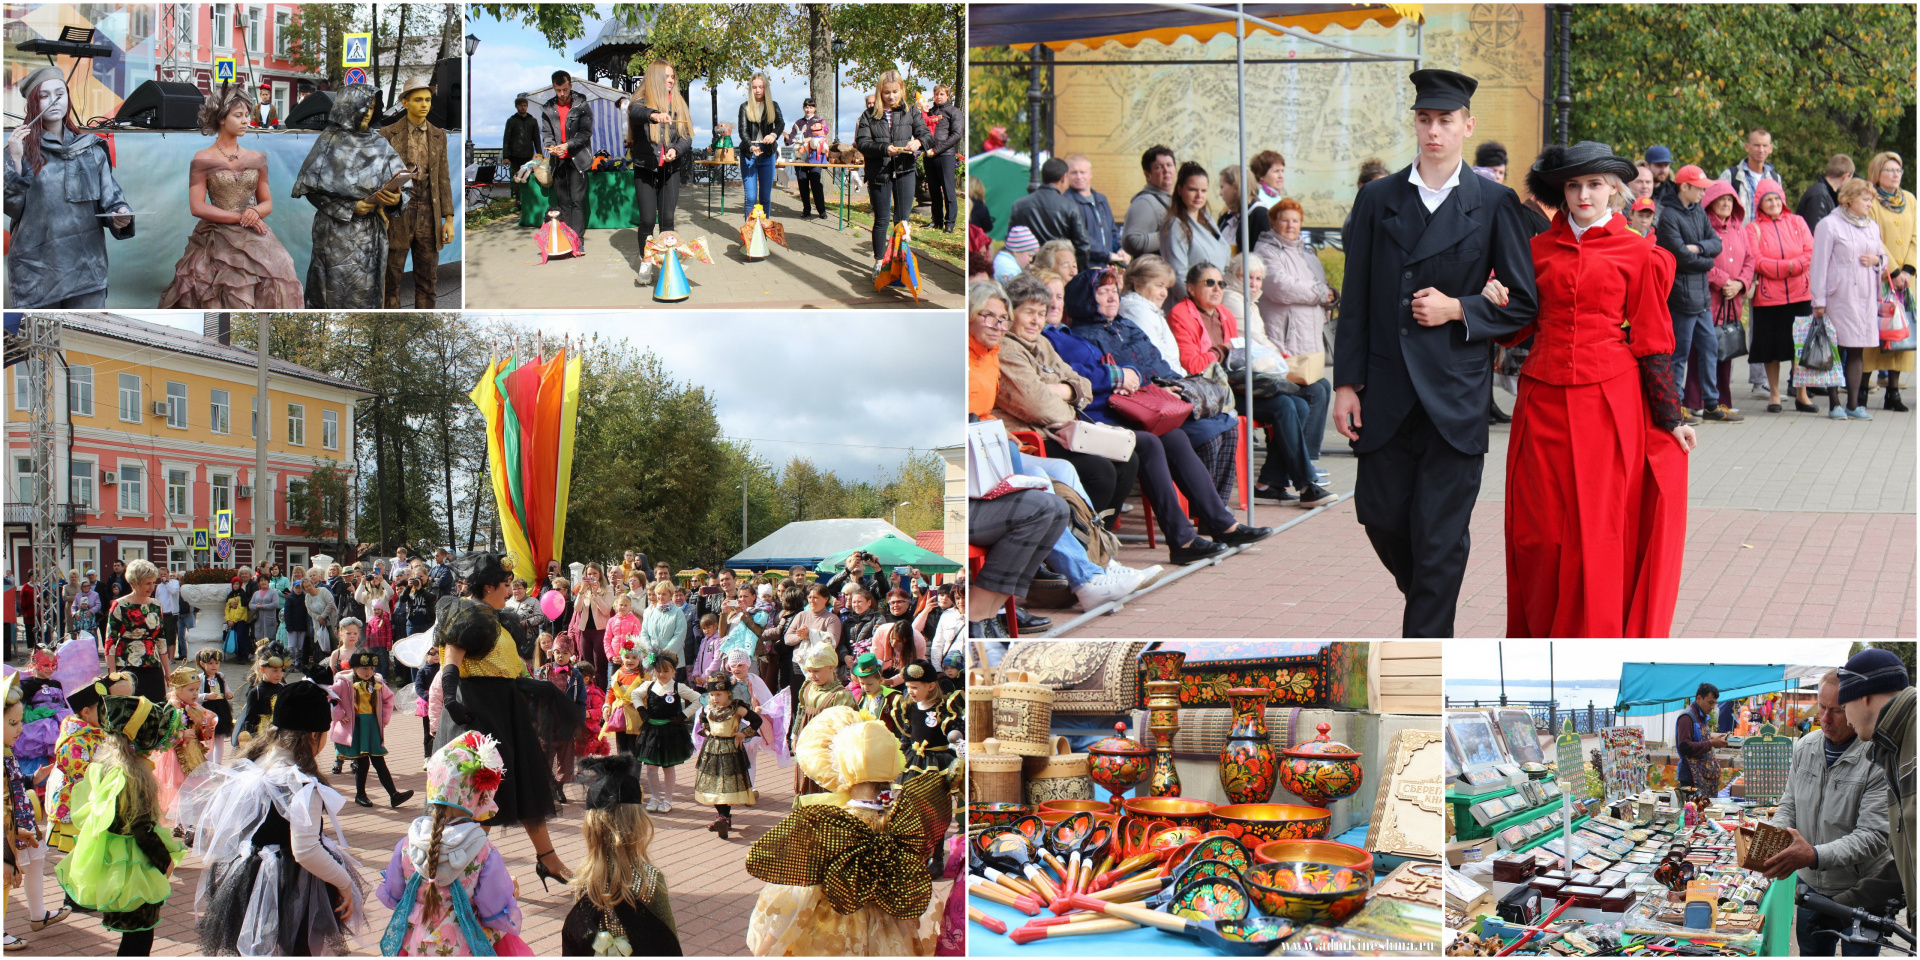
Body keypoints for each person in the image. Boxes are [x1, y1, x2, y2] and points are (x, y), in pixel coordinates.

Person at [1333, 69, 1538, 638]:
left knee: (1440, 538)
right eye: (1424, 120)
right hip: (1385, 391)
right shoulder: (1377, 198)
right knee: (1379, 514)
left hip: (1454, 395)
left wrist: (1460, 309)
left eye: (1445, 121)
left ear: (1467, 127)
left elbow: (1523, 304)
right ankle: (1430, 593)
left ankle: (1427, 646)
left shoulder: (1494, 203)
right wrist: (1345, 383)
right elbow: (1356, 299)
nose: (1433, 131)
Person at [1493, 143, 1688, 638]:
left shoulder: (1642, 252)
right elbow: (1514, 330)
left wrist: (1671, 419)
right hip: (1540, 400)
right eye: (1574, 185)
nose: (1583, 194)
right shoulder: (1533, 251)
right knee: (1540, 534)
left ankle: (1594, 634)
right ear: (1562, 191)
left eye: (1595, 184)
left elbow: (1652, 340)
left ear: (1615, 192)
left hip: (1611, 403)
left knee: (1598, 531)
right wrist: (1492, 302)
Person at [1057, 269, 1272, 564]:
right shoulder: (1079, 336)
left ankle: (1222, 524)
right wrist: (1126, 376)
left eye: (1113, 291)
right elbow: (1091, 380)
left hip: (1147, 405)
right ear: (1084, 300)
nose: (1111, 297)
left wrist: (1160, 381)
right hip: (1111, 414)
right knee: (1155, 443)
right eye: (1102, 292)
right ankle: (1182, 538)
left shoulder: (1125, 326)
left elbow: (1153, 363)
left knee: (1177, 438)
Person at [744, 706, 949, 956]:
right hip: (891, 924)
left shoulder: (831, 825)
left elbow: (800, 896)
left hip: (834, 932)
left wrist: (768, 944)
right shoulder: (903, 819)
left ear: (840, 766)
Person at [434, 554, 583, 887]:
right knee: (483, 791)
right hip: (475, 711)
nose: (510, 590)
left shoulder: (499, 618)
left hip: (506, 708)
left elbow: (511, 670)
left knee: (526, 783)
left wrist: (540, 687)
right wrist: (448, 699)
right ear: (488, 587)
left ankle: (548, 859)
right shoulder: (465, 615)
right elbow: (452, 661)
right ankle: (470, 868)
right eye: (505, 585)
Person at [1170, 261, 1334, 507]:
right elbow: (1193, 364)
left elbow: (1237, 356)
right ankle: (1305, 484)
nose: (1217, 289)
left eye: (1221, 284)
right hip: (1207, 394)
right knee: (1285, 406)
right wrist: (1223, 349)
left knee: (1298, 404)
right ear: (1191, 288)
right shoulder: (1181, 314)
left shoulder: (1224, 314)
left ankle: (1271, 483)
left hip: (1232, 386)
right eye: (1209, 283)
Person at [1760, 668, 1897, 956]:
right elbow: (1789, 802)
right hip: (1811, 888)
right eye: (1821, 707)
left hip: (1862, 891)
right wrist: (1777, 836)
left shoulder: (1877, 756)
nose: (1824, 719)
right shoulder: (1805, 745)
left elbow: (1873, 836)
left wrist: (1814, 855)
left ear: (1856, 706)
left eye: (1836, 710)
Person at [53, 694, 187, 956]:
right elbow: (140, 826)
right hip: (132, 864)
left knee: (134, 935)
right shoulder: (131, 775)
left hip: (117, 859)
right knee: (138, 936)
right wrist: (164, 861)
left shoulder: (113, 764)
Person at [374, 731, 527, 953]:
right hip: (464, 946)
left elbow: (394, 895)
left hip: (416, 944)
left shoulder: (409, 842)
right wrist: (509, 893)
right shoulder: (483, 851)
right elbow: (493, 911)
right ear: (480, 795)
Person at [158, 83, 303, 308]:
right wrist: (241, 218)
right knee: (227, 289)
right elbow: (197, 207)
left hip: (255, 234)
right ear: (221, 118)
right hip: (216, 237)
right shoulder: (202, 158)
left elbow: (267, 203)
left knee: (283, 266)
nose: (246, 120)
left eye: (247, 114)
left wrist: (255, 212)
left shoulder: (256, 158)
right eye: (238, 115)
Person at [4, 67, 135, 308]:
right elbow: (12, 208)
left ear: (68, 98)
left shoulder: (91, 149)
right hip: (37, 274)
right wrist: (15, 160)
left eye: (59, 93)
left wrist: (120, 214)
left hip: (87, 271)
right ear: (33, 104)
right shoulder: (20, 151)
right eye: (44, 95)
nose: (54, 101)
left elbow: (112, 199)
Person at [291, 83, 406, 308]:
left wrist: (397, 200)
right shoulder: (328, 142)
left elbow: (402, 185)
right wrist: (349, 208)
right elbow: (310, 189)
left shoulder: (380, 143)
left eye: (373, 108)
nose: (369, 113)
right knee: (331, 295)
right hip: (335, 235)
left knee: (367, 295)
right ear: (349, 107)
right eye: (365, 107)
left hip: (371, 237)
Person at [560, 755, 681, 956]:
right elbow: (668, 943)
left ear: (591, 830)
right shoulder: (649, 880)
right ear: (637, 825)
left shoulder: (584, 880)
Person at [1255, 198, 1337, 483]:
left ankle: (1307, 460)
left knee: (1321, 389)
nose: (1291, 226)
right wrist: (1319, 293)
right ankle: (1293, 465)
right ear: (1274, 222)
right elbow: (1280, 287)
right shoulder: (1265, 251)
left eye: (1296, 220)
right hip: (1284, 340)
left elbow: (1320, 287)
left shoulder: (1307, 253)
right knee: (1306, 395)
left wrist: (1329, 294)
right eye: (1285, 220)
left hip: (1309, 340)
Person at [1656, 164, 1740, 422]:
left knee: (1709, 347)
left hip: (1701, 296)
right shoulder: (1669, 216)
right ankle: (1677, 405)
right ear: (1685, 186)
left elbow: (1716, 243)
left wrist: (1699, 250)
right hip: (1681, 297)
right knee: (1679, 352)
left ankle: (1711, 404)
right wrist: (1706, 259)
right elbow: (1679, 256)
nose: (1704, 193)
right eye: (1700, 188)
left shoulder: (1697, 212)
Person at [1836, 647, 1914, 913]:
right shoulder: (1897, 744)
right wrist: (1853, 903)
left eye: (1844, 706)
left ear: (1864, 697)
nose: (1846, 718)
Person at [1812, 178, 1890, 420]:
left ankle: (1854, 404)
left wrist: (1877, 261)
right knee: (1835, 349)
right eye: (1865, 199)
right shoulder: (1829, 225)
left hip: (1866, 296)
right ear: (1849, 199)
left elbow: (1883, 256)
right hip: (1839, 296)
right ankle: (1834, 403)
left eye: (1871, 200)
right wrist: (1818, 300)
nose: (1870, 204)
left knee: (1858, 349)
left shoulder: (1871, 226)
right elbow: (1819, 264)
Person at [377, 76, 454, 309]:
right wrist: (381, 212)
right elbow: (378, 178)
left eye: (428, 100)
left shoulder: (439, 135)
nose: (424, 105)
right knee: (391, 279)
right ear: (405, 102)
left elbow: (443, 179)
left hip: (429, 212)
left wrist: (448, 219)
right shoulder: (387, 134)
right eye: (418, 99)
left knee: (428, 281)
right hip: (397, 211)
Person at [1745, 179, 1815, 413]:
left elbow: (1810, 252)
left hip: (1800, 294)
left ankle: (1802, 394)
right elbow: (1756, 260)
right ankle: (1774, 393)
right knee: (1771, 347)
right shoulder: (1753, 228)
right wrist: (1789, 268)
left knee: (1801, 347)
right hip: (1768, 297)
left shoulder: (1798, 222)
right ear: (1760, 204)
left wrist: (1791, 267)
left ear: (1783, 200)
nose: (1773, 203)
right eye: (1768, 199)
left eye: (1776, 198)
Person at [1686, 179, 1754, 417]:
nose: (1725, 204)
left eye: (1729, 200)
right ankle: (1694, 400)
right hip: (1707, 297)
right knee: (1702, 348)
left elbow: (1749, 260)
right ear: (1710, 202)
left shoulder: (1740, 229)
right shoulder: (1702, 227)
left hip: (1732, 299)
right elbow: (1697, 260)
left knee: (1725, 349)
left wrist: (1740, 284)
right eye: (1721, 199)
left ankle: (1722, 400)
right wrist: (1722, 279)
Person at [854, 70, 930, 270]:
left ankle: (899, 262)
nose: (891, 96)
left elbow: (926, 135)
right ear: (880, 92)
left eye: (895, 91)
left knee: (902, 221)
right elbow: (862, 143)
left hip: (905, 172)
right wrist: (883, 148)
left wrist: (919, 142)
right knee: (881, 219)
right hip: (879, 173)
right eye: (887, 92)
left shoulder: (911, 112)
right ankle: (879, 263)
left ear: (901, 90)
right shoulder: (869, 115)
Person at [1863, 151, 1915, 410]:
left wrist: (1908, 270)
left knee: (1900, 335)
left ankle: (1892, 393)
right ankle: (1861, 388)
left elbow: (1916, 236)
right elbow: (1873, 239)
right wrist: (1893, 271)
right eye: (1889, 171)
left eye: (1898, 171)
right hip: (1879, 277)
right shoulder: (1869, 200)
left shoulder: (1910, 200)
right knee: (1875, 333)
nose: (1895, 175)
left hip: (1907, 281)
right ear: (1876, 174)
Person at [329, 650, 413, 809]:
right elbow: (330, 696)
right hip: (357, 726)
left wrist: (384, 718)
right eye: (364, 669)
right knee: (362, 762)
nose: (368, 672)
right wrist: (340, 714)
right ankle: (361, 794)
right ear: (353, 668)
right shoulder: (344, 682)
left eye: (371, 669)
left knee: (379, 760)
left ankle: (394, 795)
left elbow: (388, 698)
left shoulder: (377, 682)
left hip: (372, 725)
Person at [691, 669, 758, 838]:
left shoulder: (736, 708)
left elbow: (757, 720)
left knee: (726, 782)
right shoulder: (709, 708)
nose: (715, 698)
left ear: (728, 693)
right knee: (714, 782)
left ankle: (723, 817)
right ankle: (722, 817)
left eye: (718, 694)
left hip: (730, 749)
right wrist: (707, 732)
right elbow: (703, 720)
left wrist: (743, 734)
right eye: (712, 694)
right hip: (713, 748)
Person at [630, 651, 699, 812]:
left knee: (668, 767)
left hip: (670, 732)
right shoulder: (649, 686)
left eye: (666, 671)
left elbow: (698, 699)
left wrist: (684, 714)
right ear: (654, 671)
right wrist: (641, 709)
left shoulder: (678, 687)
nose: (662, 674)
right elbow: (635, 694)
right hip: (652, 731)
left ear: (674, 671)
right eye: (659, 671)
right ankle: (655, 797)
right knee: (651, 767)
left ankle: (668, 799)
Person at [1159, 162, 1228, 308]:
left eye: (1203, 190)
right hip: (1192, 307)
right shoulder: (1175, 225)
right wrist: (1197, 308)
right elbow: (1178, 275)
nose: (1199, 195)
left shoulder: (1207, 220)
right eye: (1193, 189)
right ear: (1180, 189)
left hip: (1213, 304)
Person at [540, 71, 595, 246]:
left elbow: (586, 133)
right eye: (558, 90)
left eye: (565, 89)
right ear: (553, 88)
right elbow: (547, 134)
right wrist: (551, 147)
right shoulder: (547, 108)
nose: (562, 94)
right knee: (563, 202)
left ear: (571, 86)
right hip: (559, 161)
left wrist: (567, 145)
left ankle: (578, 241)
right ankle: (566, 240)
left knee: (578, 201)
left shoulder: (582, 104)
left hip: (578, 159)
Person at [102, 560, 170, 702]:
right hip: (126, 665)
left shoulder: (156, 605)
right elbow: (110, 641)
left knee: (156, 709)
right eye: (147, 583)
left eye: (153, 582)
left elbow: (161, 639)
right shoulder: (120, 605)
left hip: (153, 664)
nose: (152, 587)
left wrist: (167, 672)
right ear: (135, 583)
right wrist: (112, 674)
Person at [1009, 157, 1092, 273]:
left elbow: (1011, 241)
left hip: (1030, 271)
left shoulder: (1019, 205)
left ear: (1042, 176)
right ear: (1064, 178)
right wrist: (1076, 273)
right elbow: (1083, 246)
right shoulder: (1070, 207)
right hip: (1059, 272)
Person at [736, 73, 784, 218]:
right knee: (750, 198)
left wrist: (773, 135)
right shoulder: (744, 107)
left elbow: (781, 123)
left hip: (767, 153)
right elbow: (742, 131)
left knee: (765, 198)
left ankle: (763, 232)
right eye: (755, 87)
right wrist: (751, 146)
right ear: (751, 89)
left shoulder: (773, 105)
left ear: (765, 88)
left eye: (761, 87)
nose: (757, 90)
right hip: (749, 153)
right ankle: (749, 234)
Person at [1066, 154, 1124, 268]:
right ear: (1067, 175)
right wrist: (1107, 254)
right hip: (1084, 267)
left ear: (1090, 174)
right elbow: (1079, 237)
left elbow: (1112, 230)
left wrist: (1121, 248)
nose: (1078, 176)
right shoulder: (1066, 202)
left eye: (1083, 172)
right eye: (1074, 172)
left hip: (1106, 266)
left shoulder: (1101, 199)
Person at [1675, 682, 1729, 799]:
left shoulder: (1702, 717)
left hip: (1703, 775)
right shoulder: (1687, 717)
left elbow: (1697, 739)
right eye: (1710, 702)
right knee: (1692, 811)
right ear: (1699, 698)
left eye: (1714, 703)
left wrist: (1714, 738)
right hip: (1691, 776)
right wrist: (1712, 743)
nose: (1712, 707)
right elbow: (1685, 746)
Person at [1123, 145, 1177, 259]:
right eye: (1158, 167)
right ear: (1147, 174)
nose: (1166, 170)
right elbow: (1131, 242)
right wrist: (1171, 236)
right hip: (1152, 273)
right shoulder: (1145, 202)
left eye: (1169, 165)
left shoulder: (1175, 199)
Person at [923, 84, 962, 232]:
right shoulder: (930, 112)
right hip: (929, 155)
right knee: (933, 189)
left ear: (947, 96)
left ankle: (950, 223)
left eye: (942, 94)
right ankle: (936, 220)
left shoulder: (954, 112)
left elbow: (957, 134)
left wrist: (937, 149)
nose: (939, 97)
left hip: (945, 155)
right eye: (936, 94)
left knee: (948, 190)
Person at [784, 97, 830, 220]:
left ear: (814, 108)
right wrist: (785, 136)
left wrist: (808, 140)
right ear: (803, 108)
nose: (808, 109)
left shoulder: (819, 121)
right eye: (806, 107)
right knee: (802, 183)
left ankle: (821, 210)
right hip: (800, 157)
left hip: (815, 157)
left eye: (811, 107)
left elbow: (823, 135)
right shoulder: (798, 122)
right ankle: (806, 209)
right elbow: (792, 138)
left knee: (816, 183)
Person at [193, 648, 233, 767]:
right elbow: (196, 696)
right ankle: (208, 763)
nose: (214, 666)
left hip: (221, 709)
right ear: (202, 664)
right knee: (208, 738)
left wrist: (229, 693)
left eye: (216, 663)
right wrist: (206, 696)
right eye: (210, 663)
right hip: (207, 711)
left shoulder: (220, 676)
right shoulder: (200, 678)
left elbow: (226, 688)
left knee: (220, 737)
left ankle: (218, 763)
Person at [1798, 153, 1854, 229]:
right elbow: (1815, 231)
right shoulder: (1820, 195)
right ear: (1845, 176)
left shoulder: (1826, 194)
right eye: (1850, 178)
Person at [503, 96, 540, 182]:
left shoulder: (532, 121)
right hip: (514, 155)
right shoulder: (511, 121)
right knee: (516, 179)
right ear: (516, 106)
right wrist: (505, 156)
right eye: (521, 105)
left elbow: (536, 139)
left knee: (528, 179)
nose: (523, 108)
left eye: (525, 105)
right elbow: (506, 139)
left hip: (528, 155)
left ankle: (526, 195)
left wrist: (539, 155)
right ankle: (517, 196)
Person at [1645, 144, 1679, 211]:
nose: (1663, 170)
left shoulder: (1674, 191)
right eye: (1658, 165)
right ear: (1647, 165)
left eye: (1666, 165)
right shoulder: (1633, 187)